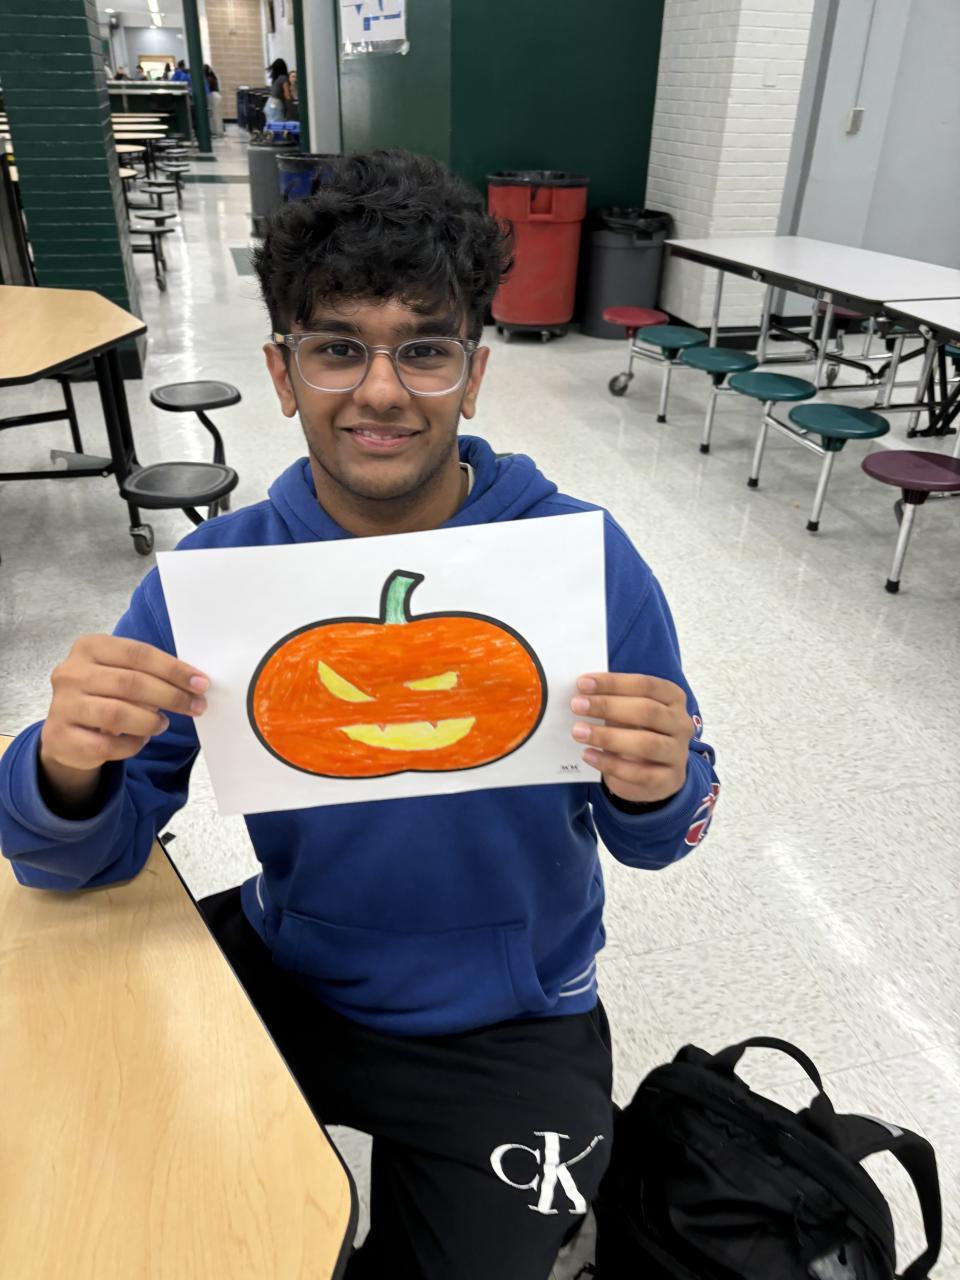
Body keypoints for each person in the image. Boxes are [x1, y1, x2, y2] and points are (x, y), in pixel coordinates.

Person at [0, 150, 719, 1280]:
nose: (380, 391)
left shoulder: (580, 560)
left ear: (473, 375)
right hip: (295, 966)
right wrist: (65, 766)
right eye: (338, 348)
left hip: (512, 1021)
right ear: (283, 373)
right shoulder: (222, 580)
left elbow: (664, 836)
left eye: (424, 350)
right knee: (104, 1193)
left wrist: (663, 785)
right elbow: (71, 858)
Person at [265, 56, 293, 123]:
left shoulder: (276, 80)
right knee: (279, 125)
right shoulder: (283, 78)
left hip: (269, 104)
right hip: (277, 105)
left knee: (272, 125)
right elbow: (287, 96)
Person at [204, 63, 224, 137]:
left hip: (213, 96)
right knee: (216, 115)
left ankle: (218, 132)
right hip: (216, 96)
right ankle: (217, 131)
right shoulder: (213, 76)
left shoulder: (209, 79)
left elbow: (207, 89)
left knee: (215, 115)